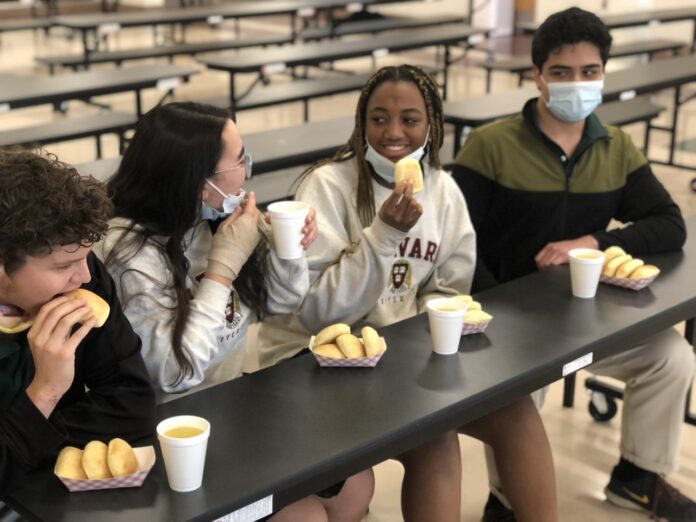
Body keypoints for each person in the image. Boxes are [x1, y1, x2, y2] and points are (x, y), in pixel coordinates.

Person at [257, 65, 558, 522]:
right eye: (378, 119)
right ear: (361, 123)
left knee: (513, 414)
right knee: (432, 433)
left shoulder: (444, 191)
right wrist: (383, 237)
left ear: (432, 125)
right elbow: (315, 315)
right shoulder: (326, 186)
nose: (393, 133)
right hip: (317, 364)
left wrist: (426, 323)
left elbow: (447, 290)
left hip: (400, 362)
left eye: (410, 119)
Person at [452, 7, 696, 522]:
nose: (576, 83)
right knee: (518, 397)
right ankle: (509, 501)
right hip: (512, 328)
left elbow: (669, 224)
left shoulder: (614, 147)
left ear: (604, 74)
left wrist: (593, 240)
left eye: (590, 71)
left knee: (671, 358)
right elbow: (457, 244)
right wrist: (492, 316)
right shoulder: (490, 146)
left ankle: (638, 480)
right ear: (537, 75)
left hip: (588, 321)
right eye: (561, 72)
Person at [94, 102, 374, 522]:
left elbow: (282, 302)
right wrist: (222, 270)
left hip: (230, 410)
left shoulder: (204, 218)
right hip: (167, 437)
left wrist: (287, 250)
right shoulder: (128, 255)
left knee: (356, 483)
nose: (247, 169)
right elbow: (174, 372)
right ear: (199, 180)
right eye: (238, 159)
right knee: (305, 516)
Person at [0, 149, 156, 496]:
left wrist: (20, 445)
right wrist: (46, 391)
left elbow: (133, 405)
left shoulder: (83, 276)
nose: (84, 276)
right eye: (61, 267)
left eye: (86, 257)